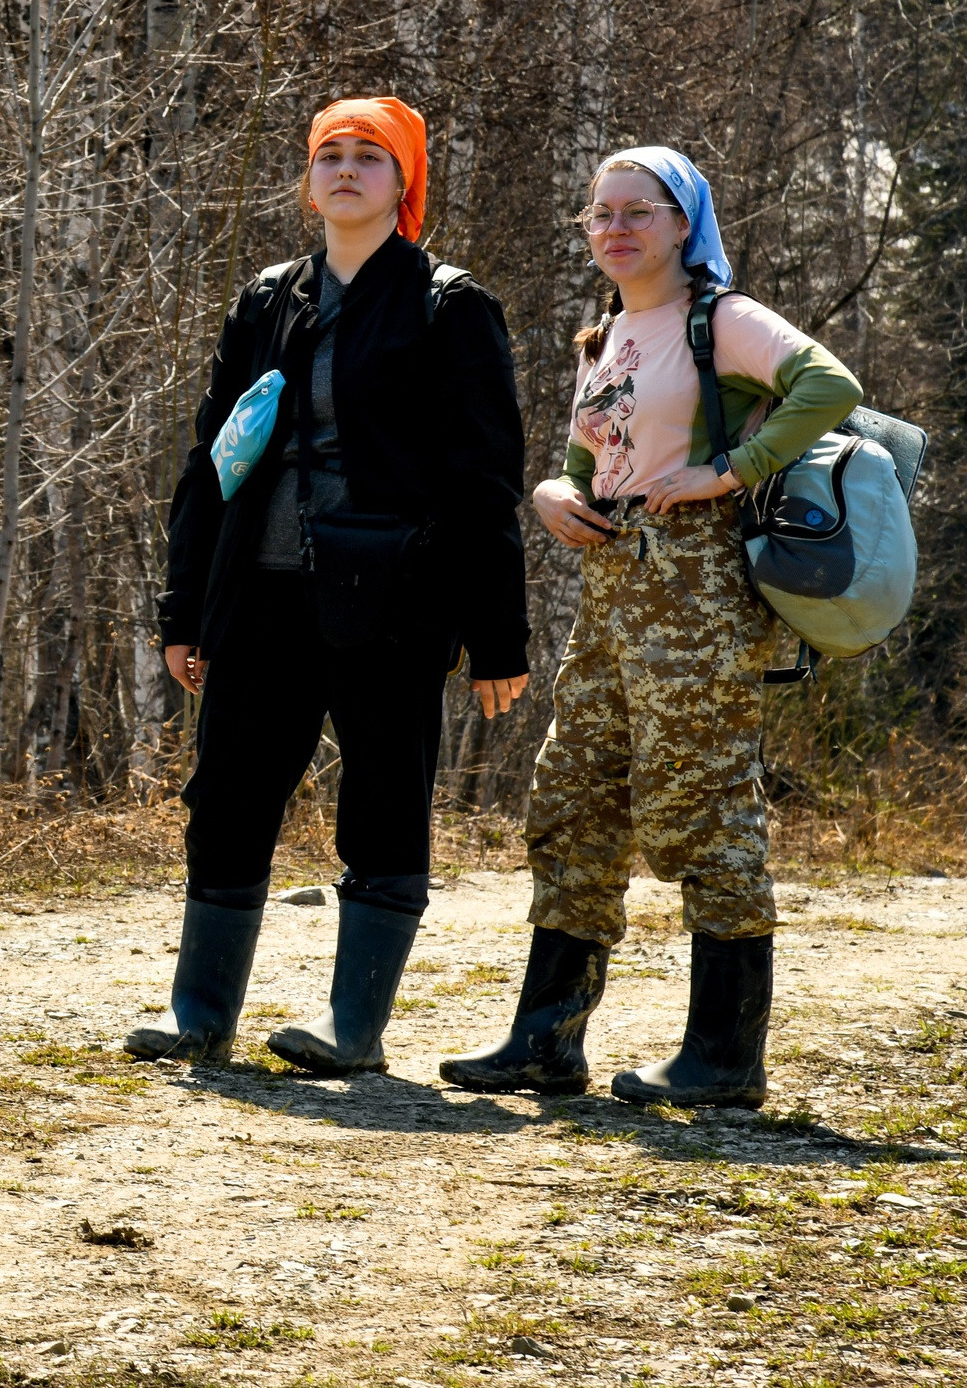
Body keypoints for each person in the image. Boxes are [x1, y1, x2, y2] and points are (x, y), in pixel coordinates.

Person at [443, 147, 859, 1109]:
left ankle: (723, 1056)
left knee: (701, 802)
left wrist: (730, 469)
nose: (617, 226)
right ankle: (545, 1041)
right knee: (574, 797)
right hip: (610, 589)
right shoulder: (605, 338)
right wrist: (553, 489)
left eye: (641, 209)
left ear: (684, 226)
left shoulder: (723, 318)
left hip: (698, 586)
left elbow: (827, 386)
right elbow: (585, 456)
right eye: (599, 213)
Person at [135, 96, 531, 1075]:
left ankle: (354, 1030)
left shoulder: (448, 305)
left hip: (395, 599)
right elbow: (210, 463)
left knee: (386, 800)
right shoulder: (267, 300)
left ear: (403, 185)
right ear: (308, 179)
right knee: (226, 797)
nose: (346, 171)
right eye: (329, 156)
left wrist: (498, 634)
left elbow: (487, 482)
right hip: (260, 592)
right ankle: (200, 1019)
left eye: (369, 157)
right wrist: (184, 610)